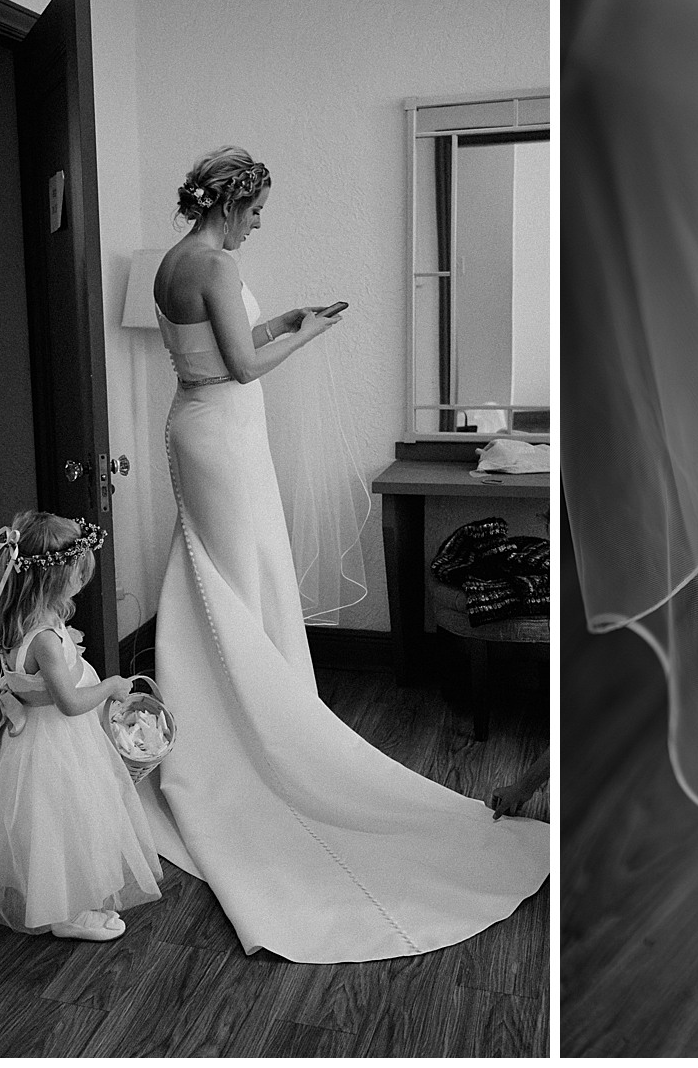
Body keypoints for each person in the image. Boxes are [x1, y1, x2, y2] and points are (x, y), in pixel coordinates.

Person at [142, 146, 549, 963]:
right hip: (222, 431)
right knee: (240, 573)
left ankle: (236, 712)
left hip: (199, 423)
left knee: (227, 572)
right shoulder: (215, 263)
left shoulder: (176, 260)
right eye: (257, 211)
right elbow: (246, 369)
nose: (260, 224)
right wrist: (310, 336)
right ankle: (260, 730)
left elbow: (220, 352)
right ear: (234, 203)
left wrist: (281, 320)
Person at [0, 511, 162, 942]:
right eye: (77, 575)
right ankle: (64, 912)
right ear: (51, 580)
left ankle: (50, 892)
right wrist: (110, 686)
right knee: (65, 818)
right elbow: (68, 702)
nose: (82, 581)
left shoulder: (9, 613)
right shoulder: (43, 637)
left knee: (38, 820)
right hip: (54, 738)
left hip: (26, 734)